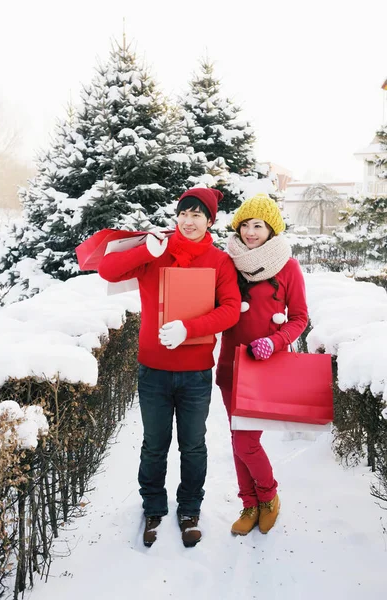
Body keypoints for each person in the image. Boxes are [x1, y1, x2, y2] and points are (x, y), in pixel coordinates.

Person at [98, 188, 241, 548]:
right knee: (154, 444)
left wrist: (189, 329)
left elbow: (230, 308)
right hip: (154, 369)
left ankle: (190, 509)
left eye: (197, 215)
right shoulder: (156, 248)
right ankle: (153, 509)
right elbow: (107, 271)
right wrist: (146, 250)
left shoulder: (218, 260)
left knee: (193, 445)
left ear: (210, 221)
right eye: (183, 214)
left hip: (195, 372)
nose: (188, 221)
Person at [216, 193, 308, 536]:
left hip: (266, 366)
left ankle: (268, 496)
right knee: (237, 437)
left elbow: (299, 318)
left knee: (245, 441)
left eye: (258, 225)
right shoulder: (228, 263)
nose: (251, 232)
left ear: (271, 229)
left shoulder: (288, 267)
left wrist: (275, 340)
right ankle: (249, 503)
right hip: (231, 365)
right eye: (245, 225)